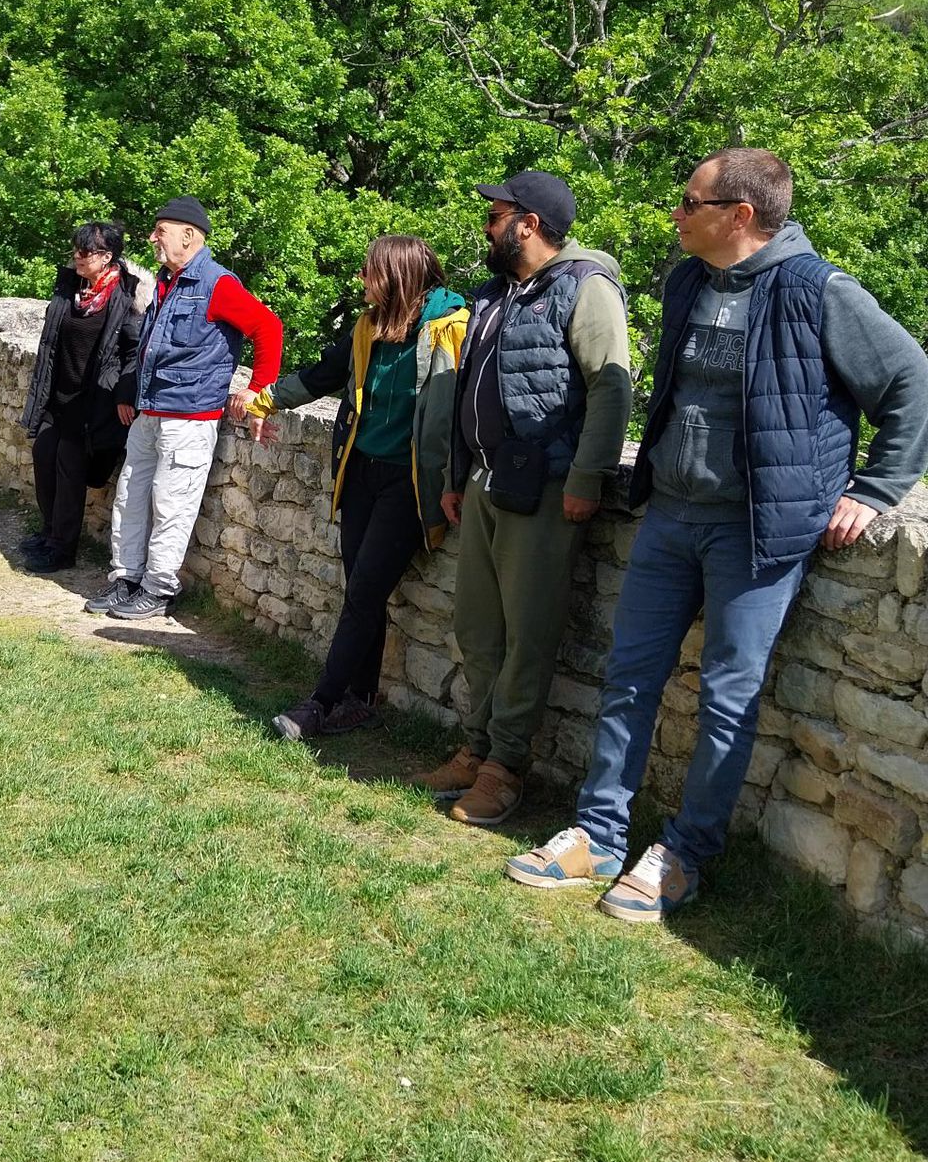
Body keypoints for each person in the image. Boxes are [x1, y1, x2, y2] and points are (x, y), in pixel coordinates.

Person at [506, 148, 928, 919]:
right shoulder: (689, 280)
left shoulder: (817, 290)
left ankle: (684, 854)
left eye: (690, 201)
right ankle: (598, 836)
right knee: (630, 674)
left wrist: (876, 488)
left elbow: (909, 378)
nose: (676, 213)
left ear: (739, 215)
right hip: (670, 510)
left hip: (758, 530)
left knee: (728, 699)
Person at [422, 170, 633, 827]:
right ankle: (477, 746)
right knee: (478, 629)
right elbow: (467, 391)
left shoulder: (584, 287)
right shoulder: (499, 293)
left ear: (529, 223)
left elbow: (611, 388)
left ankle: (504, 769)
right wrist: (457, 473)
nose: (487, 225)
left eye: (497, 215)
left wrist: (586, 478)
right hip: (487, 482)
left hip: (543, 488)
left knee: (527, 638)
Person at [248, 236, 468, 741]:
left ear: (396, 276)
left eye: (369, 271)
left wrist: (454, 483)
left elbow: (461, 416)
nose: (361, 280)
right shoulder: (369, 327)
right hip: (360, 472)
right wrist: (263, 402)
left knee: (366, 591)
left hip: (409, 484)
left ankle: (320, 704)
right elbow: (322, 375)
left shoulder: (452, 328)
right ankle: (361, 699)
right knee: (361, 593)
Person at [86, 197, 283, 621]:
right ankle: (126, 579)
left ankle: (158, 589)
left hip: (190, 416)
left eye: (161, 231)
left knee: (171, 504)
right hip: (151, 410)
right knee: (131, 497)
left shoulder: (218, 285)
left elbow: (267, 327)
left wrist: (258, 391)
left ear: (189, 235)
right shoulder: (166, 280)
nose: (152, 237)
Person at [19, 222, 152, 573]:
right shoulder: (72, 287)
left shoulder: (126, 296)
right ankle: (49, 535)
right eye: (75, 249)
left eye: (86, 251)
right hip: (58, 395)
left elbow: (133, 351)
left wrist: (126, 392)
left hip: (92, 401)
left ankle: (63, 550)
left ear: (107, 257)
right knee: (43, 454)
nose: (77, 257)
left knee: (69, 467)